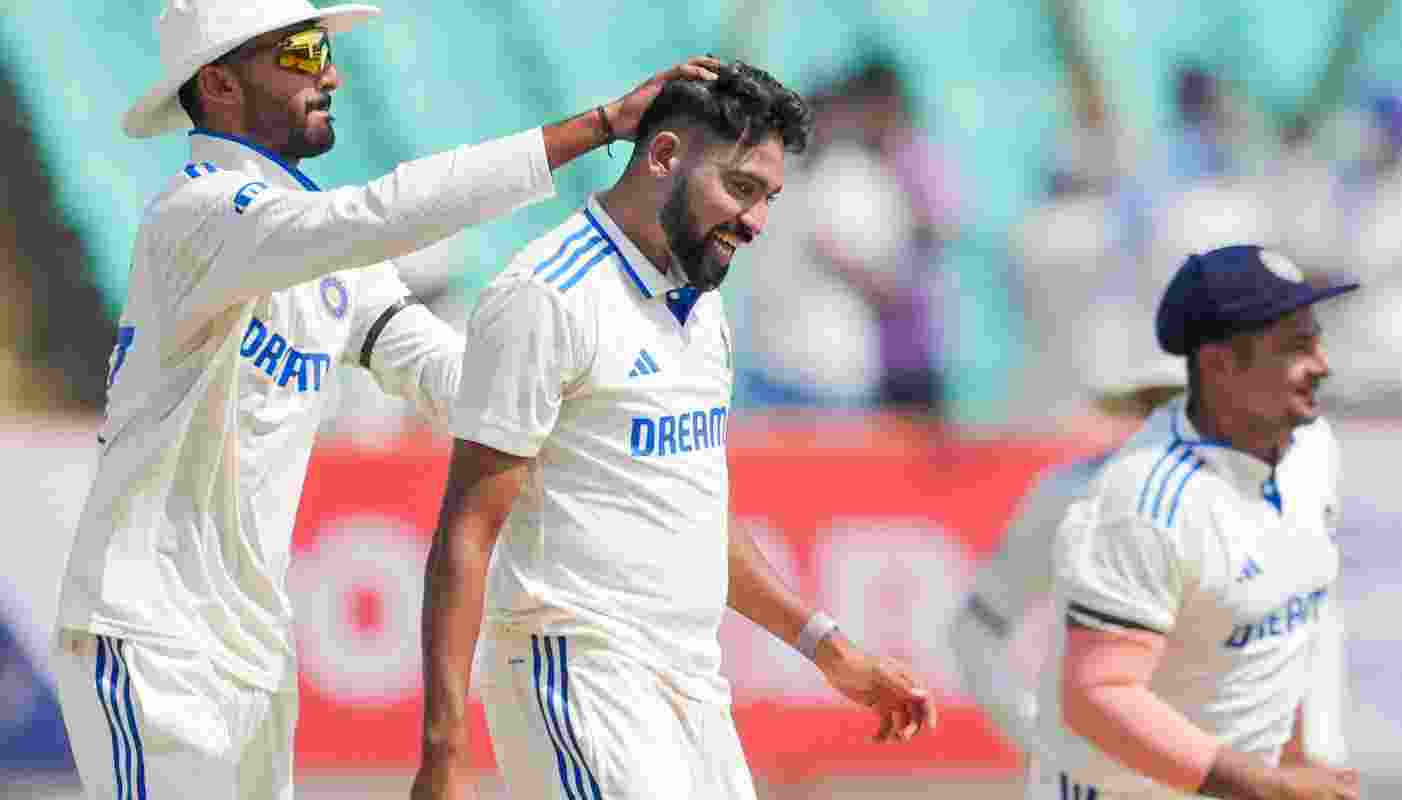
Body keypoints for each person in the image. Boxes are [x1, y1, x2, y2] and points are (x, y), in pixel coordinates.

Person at [51, 1, 719, 798]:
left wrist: (581, 414)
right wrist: (599, 126)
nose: (331, 73)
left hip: (251, 656)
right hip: (151, 634)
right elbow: (381, 214)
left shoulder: (315, 242)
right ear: (221, 84)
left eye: (324, 48)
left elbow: (439, 374)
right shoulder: (199, 215)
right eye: (302, 52)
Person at [412, 62, 938, 800]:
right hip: (582, 675)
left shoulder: (700, 302)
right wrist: (445, 753)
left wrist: (828, 647)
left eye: (769, 198)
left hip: (693, 688)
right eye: (741, 188)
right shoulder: (549, 296)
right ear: (662, 157)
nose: (756, 221)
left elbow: (690, 512)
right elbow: (467, 532)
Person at [1028, 245, 1360, 799]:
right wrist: (1267, 784)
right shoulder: (1143, 502)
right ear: (1220, 364)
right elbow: (1098, 695)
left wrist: (1303, 761)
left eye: (1318, 338)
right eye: (1297, 347)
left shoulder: (1314, 450)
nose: (1323, 364)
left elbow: (1291, 618)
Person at [951, 357, 1186, 757]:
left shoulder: (1262, 496)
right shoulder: (1069, 494)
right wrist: (1043, 744)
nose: (1172, 419)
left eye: (1186, 403)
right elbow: (976, 633)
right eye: (1158, 402)